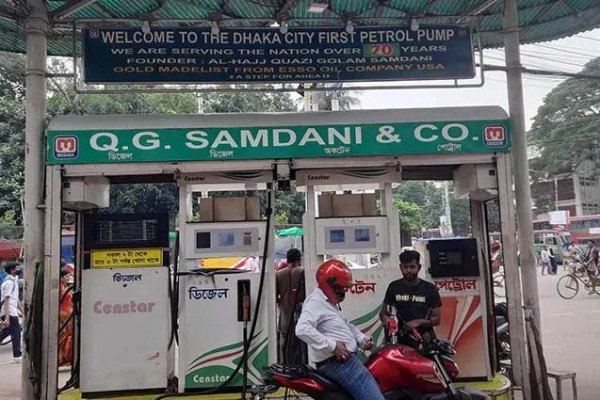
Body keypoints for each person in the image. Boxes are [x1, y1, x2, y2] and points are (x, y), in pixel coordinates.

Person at [295, 259, 384, 400]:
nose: (344, 292)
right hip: (340, 364)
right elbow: (302, 329)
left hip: (343, 362)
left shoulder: (330, 303)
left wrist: (362, 340)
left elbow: (346, 326)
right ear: (329, 284)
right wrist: (333, 345)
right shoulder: (315, 302)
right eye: (341, 288)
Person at [379, 250, 442, 340]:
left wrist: (418, 322)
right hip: (399, 339)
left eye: (412, 267)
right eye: (405, 267)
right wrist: (388, 322)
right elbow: (383, 314)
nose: (408, 270)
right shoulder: (393, 287)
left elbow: (437, 319)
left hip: (423, 339)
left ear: (419, 267)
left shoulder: (430, 289)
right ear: (401, 267)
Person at [275, 248, 305, 362]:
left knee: (285, 344)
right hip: (301, 315)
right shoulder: (302, 272)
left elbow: (275, 297)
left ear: (287, 259)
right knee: (300, 346)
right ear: (299, 259)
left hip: (285, 316)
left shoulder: (279, 274)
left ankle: (285, 365)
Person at [0, 262, 23, 362]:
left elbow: (15, 298)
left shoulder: (14, 280)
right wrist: (7, 318)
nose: (19, 269)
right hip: (8, 311)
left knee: (6, 332)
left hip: (11, 310)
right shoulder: (9, 283)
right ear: (12, 270)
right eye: (17, 268)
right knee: (16, 332)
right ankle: (16, 355)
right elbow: (7, 300)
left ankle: (17, 355)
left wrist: (21, 310)